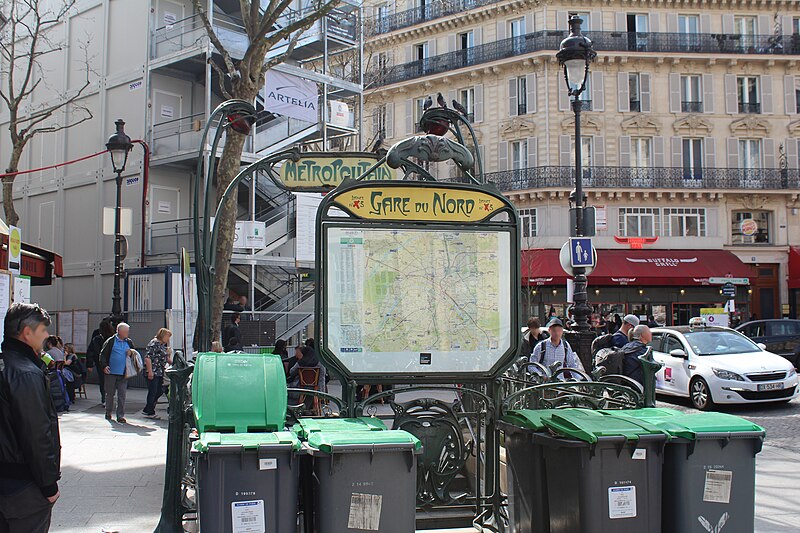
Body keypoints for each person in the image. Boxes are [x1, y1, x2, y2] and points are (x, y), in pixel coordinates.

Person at [0, 303, 61, 531]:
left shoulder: (5, 365)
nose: (46, 335)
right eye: (43, 330)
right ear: (27, 332)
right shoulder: (26, 373)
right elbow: (36, 433)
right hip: (24, 487)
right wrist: (48, 486)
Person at [98, 322, 136, 424]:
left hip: (124, 373)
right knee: (110, 394)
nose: (127, 333)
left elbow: (135, 355)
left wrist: (131, 353)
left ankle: (120, 416)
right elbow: (103, 354)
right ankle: (108, 412)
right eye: (125, 332)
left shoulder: (129, 342)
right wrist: (104, 366)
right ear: (119, 331)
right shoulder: (110, 341)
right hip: (111, 372)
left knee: (122, 395)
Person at [143, 328, 173, 419]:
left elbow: (165, 358)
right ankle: (150, 411)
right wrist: (150, 371)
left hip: (160, 372)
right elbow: (147, 357)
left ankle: (148, 408)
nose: (168, 339)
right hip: (154, 371)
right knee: (153, 391)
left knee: (159, 390)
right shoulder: (155, 343)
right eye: (168, 337)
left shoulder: (162, 345)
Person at [86, 319, 114, 405]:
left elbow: (91, 350)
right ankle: (109, 397)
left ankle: (104, 398)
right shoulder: (113, 337)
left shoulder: (96, 337)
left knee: (103, 380)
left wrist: (89, 364)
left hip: (100, 362)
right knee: (111, 380)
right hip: (112, 361)